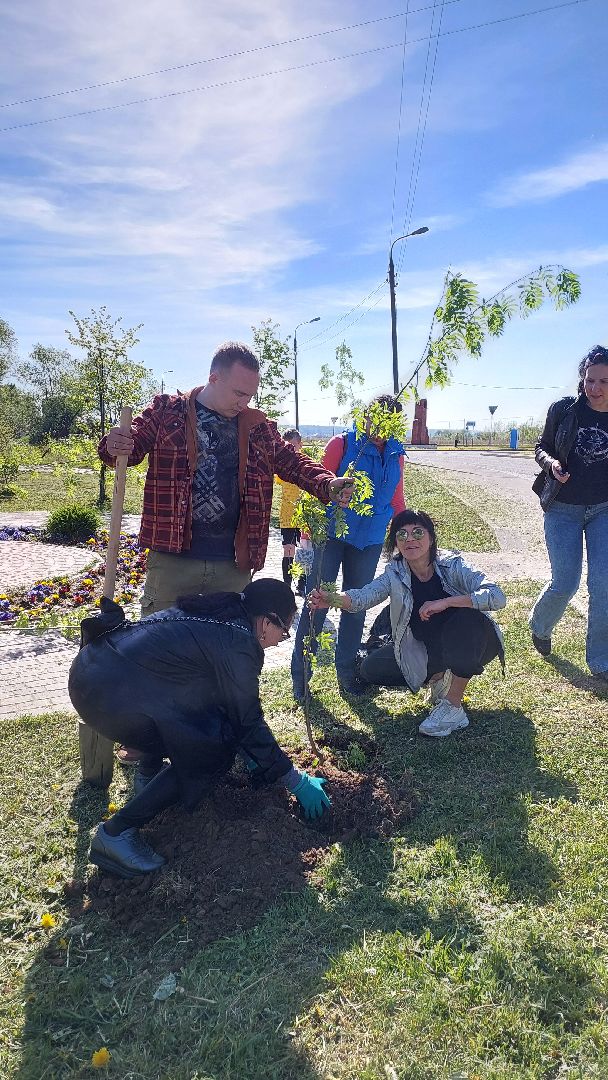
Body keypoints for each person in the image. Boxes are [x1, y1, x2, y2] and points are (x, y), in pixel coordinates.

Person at [100, 341, 353, 763]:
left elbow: (291, 461)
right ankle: (144, 739)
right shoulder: (167, 410)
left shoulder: (256, 426)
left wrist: (328, 484)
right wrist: (114, 444)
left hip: (232, 562)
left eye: (250, 394)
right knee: (156, 647)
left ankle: (211, 732)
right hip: (173, 554)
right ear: (213, 377)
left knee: (222, 651)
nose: (244, 401)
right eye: (238, 392)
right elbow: (129, 447)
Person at [68, 579, 331, 879]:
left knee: (203, 722)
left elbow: (220, 703)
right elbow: (247, 721)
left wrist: (255, 754)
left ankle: (149, 778)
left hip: (95, 669)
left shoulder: (222, 614)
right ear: (265, 621)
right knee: (213, 751)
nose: (279, 639)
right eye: (283, 631)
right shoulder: (238, 642)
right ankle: (116, 832)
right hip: (107, 696)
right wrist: (295, 781)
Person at [309, 509, 506, 737]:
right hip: (429, 648)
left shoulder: (452, 565)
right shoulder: (395, 572)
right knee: (370, 668)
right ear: (395, 543)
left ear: (431, 538)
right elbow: (364, 596)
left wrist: (446, 602)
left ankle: (453, 706)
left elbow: (497, 596)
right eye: (401, 535)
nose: (410, 539)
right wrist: (332, 599)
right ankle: (440, 675)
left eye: (418, 532)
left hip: (476, 642)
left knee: (464, 617)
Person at [291, 394, 406, 700]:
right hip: (330, 534)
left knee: (355, 606)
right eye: (373, 417)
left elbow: (396, 499)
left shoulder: (396, 453)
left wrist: (402, 534)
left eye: (387, 421)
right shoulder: (342, 445)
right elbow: (316, 487)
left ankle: (347, 674)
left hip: (368, 542)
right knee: (317, 602)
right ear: (365, 415)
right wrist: (308, 532)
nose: (378, 427)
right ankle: (301, 679)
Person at [529, 345, 608, 678]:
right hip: (563, 509)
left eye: (604, 381)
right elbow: (541, 448)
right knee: (565, 583)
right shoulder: (564, 410)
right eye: (591, 380)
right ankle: (541, 626)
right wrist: (552, 464)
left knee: (604, 584)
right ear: (582, 378)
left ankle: (600, 660)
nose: (596, 388)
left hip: (603, 509)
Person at [275, 427, 306, 597]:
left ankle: (302, 585)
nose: (290, 449)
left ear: (300, 445)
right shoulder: (282, 466)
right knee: (289, 550)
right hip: (287, 516)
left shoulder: (306, 463)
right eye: (287, 446)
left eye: (293, 445)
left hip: (304, 516)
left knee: (304, 552)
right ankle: (286, 586)